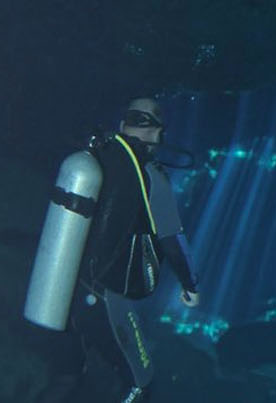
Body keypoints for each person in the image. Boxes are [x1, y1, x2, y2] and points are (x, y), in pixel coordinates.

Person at [32, 98, 201, 403]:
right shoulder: (150, 175)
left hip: (62, 287)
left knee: (68, 376)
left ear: (123, 126)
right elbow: (172, 241)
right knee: (140, 382)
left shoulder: (96, 158)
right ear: (160, 133)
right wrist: (190, 285)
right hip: (103, 296)